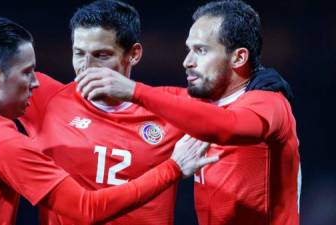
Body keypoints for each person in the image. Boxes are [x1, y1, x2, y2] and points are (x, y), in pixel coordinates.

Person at [0, 1, 294, 224]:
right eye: (79, 54)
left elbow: (230, 108)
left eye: (102, 55)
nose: (87, 68)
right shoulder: (42, 97)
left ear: (133, 54)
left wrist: (263, 81)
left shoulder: (171, 106)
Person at [75, 1, 300, 225]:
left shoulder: (270, 103)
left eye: (201, 50)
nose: (187, 62)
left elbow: (229, 127)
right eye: (189, 49)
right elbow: (143, 105)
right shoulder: (198, 104)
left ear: (239, 57)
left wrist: (134, 91)